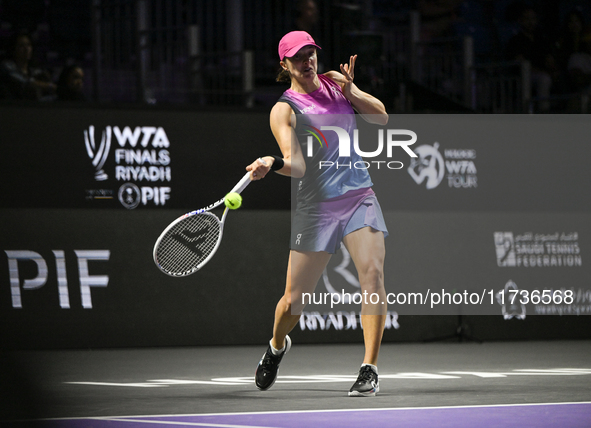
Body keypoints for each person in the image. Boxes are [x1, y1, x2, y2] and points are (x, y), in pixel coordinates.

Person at [245, 31, 389, 397]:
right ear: (285, 65)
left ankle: (369, 368)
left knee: (372, 275)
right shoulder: (285, 109)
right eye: (298, 57)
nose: (307, 61)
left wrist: (352, 92)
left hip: (359, 196)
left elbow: (382, 117)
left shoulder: (336, 83)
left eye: (310, 54)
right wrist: (272, 162)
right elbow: (296, 165)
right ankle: (277, 345)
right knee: (294, 301)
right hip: (317, 208)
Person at [0, 31, 56, 100]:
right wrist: (48, 86)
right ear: (13, 49)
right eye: (21, 46)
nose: (26, 49)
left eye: (28, 45)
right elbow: (24, 82)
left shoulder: (37, 71)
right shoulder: (6, 66)